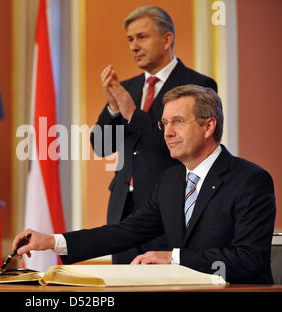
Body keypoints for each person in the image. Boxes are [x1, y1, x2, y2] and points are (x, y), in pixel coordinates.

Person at [14, 85, 276, 284]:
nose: (167, 132)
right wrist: (52, 241)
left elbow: (249, 261)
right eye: (165, 123)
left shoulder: (250, 180)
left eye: (178, 122)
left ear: (208, 126)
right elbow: (125, 232)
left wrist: (173, 258)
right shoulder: (170, 181)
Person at [91, 6, 218, 264]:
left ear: (167, 39)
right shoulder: (127, 88)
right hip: (123, 213)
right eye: (130, 39)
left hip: (170, 210)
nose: (134, 46)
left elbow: (183, 145)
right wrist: (114, 109)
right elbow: (102, 146)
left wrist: (133, 114)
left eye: (142, 37)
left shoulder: (198, 85)